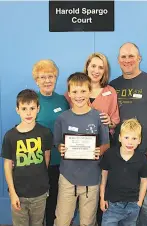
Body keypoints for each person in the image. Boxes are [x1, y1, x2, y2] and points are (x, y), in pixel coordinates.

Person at [109, 42, 147, 226]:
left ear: (139, 58)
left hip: (144, 154)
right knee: (119, 201)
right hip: (118, 155)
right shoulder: (113, 85)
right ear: (118, 60)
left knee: (146, 202)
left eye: (131, 56)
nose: (127, 60)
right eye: (123, 57)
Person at [54, 72, 110, 226]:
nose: (79, 96)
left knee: (87, 221)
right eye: (75, 92)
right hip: (67, 176)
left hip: (91, 178)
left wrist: (100, 150)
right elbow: (57, 142)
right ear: (69, 94)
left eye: (83, 91)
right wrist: (60, 147)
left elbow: (106, 143)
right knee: (62, 220)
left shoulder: (100, 117)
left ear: (90, 91)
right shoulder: (62, 118)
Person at [1, 89, 53, 226]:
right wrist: (12, 192)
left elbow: (46, 158)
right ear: (17, 110)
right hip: (19, 193)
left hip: (40, 193)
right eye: (24, 108)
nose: (28, 113)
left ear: (38, 109)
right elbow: (7, 164)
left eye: (32, 108)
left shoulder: (45, 133)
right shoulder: (10, 136)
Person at [32, 59, 69, 226]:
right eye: (42, 77)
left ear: (56, 77)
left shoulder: (62, 100)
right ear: (36, 80)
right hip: (38, 162)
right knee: (39, 203)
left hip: (60, 161)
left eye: (51, 76)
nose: (47, 80)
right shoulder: (32, 101)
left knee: (55, 201)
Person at [100, 118, 147, 226]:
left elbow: (144, 181)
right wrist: (102, 197)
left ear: (139, 140)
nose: (130, 142)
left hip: (132, 205)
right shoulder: (110, 155)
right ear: (120, 138)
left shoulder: (141, 159)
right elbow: (104, 177)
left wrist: (139, 203)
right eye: (126, 137)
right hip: (112, 205)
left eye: (134, 138)